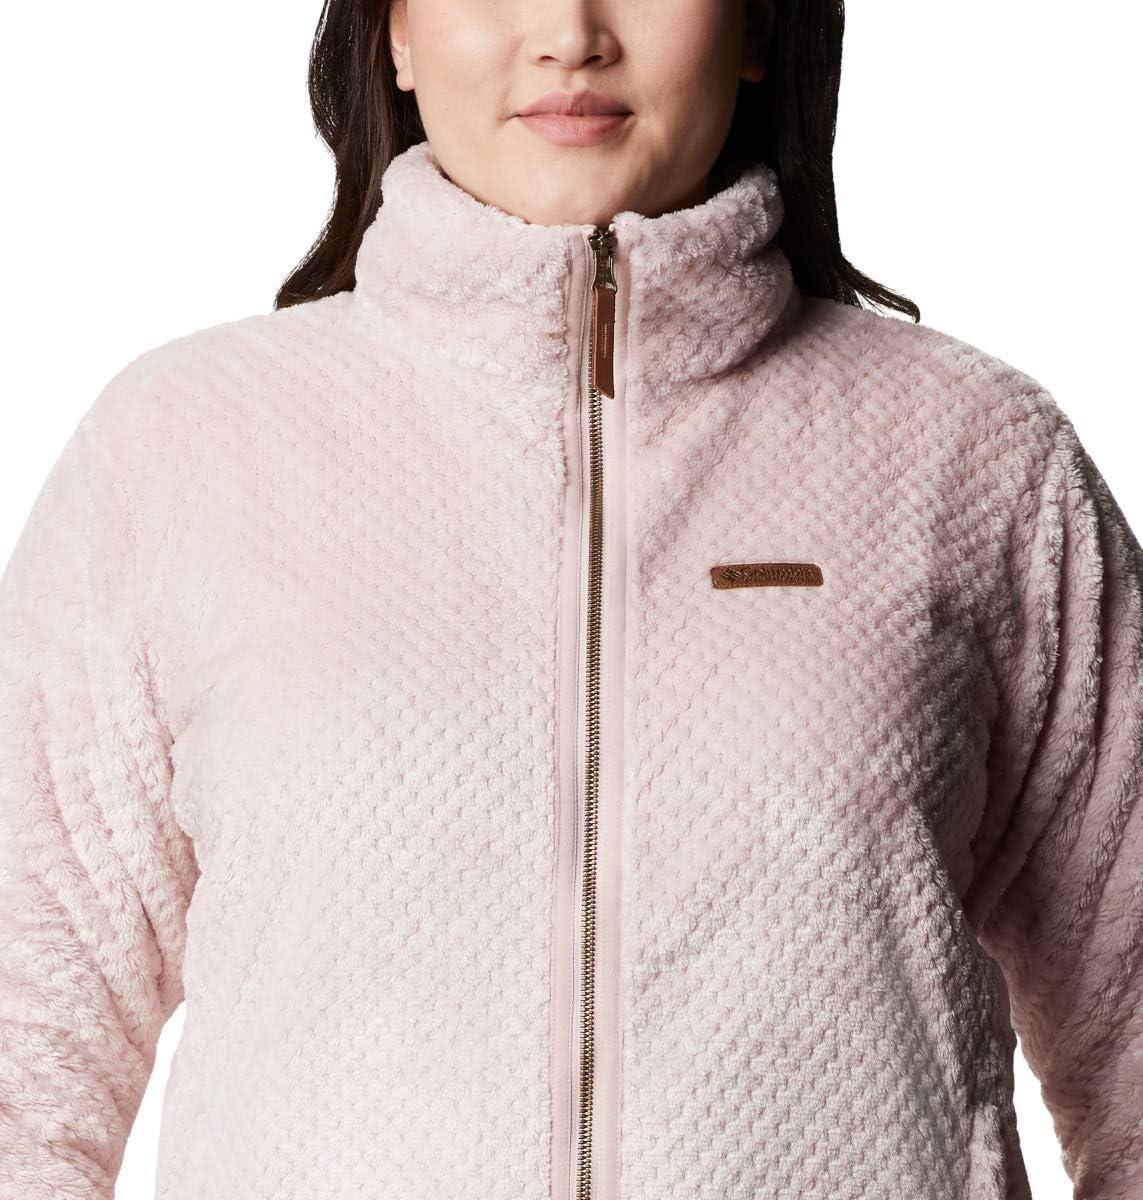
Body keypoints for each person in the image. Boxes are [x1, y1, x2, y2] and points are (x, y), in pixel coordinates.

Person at [1, 0, 1139, 1197]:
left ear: (758, 26)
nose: (568, 33)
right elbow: (24, 1056)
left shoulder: (975, 458)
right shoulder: (183, 451)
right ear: (395, 33)